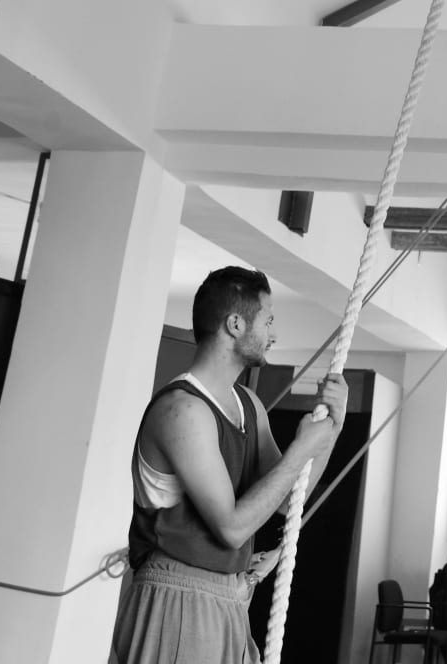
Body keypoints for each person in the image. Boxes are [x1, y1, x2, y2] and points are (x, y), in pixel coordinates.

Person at [111, 266, 348, 664]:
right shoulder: (183, 410)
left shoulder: (247, 406)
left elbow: (289, 499)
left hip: (229, 598)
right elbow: (232, 528)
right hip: (178, 595)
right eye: (268, 320)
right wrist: (299, 451)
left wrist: (331, 430)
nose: (274, 334)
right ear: (236, 324)